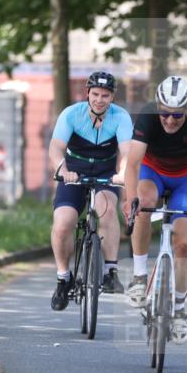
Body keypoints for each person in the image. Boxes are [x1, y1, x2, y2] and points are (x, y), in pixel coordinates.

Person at [122, 75, 187, 343]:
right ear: (158, 107)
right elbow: (133, 164)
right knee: (143, 203)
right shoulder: (148, 115)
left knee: (184, 244)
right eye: (165, 113)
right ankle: (140, 276)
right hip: (153, 172)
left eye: (177, 115)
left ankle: (179, 308)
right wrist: (130, 198)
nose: (170, 120)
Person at [49, 71, 133, 311]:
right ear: (87, 93)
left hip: (106, 174)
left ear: (112, 97)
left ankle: (110, 271)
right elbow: (55, 148)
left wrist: (122, 172)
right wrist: (63, 170)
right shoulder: (71, 114)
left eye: (105, 95)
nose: (99, 100)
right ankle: (63, 279)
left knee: (107, 210)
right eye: (95, 94)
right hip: (74, 173)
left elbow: (126, 152)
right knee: (63, 223)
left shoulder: (121, 117)